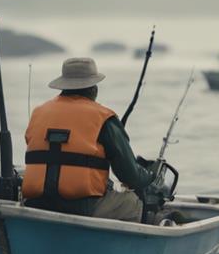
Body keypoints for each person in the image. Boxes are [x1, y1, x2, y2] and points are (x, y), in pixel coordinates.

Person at [21, 57, 153, 222]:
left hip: (37, 204)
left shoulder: (39, 113)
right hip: (83, 207)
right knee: (132, 203)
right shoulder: (104, 118)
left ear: (63, 86)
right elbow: (130, 177)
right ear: (93, 89)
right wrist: (151, 176)